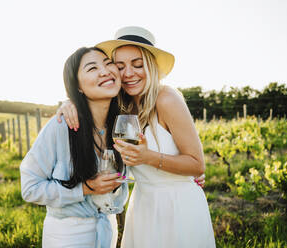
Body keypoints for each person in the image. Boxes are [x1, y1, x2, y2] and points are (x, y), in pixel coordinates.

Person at [56, 26, 215, 247]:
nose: (128, 73)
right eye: (119, 67)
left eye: (137, 64)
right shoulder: (121, 105)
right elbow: (88, 96)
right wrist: (69, 103)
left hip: (177, 206)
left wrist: (147, 157)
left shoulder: (167, 99)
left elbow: (198, 165)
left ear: (149, 65)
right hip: (142, 205)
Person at [20, 47, 128, 248]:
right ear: (77, 86)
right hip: (66, 235)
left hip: (107, 229)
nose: (104, 71)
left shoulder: (123, 124)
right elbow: (30, 189)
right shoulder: (62, 125)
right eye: (92, 68)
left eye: (107, 63)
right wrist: (85, 189)